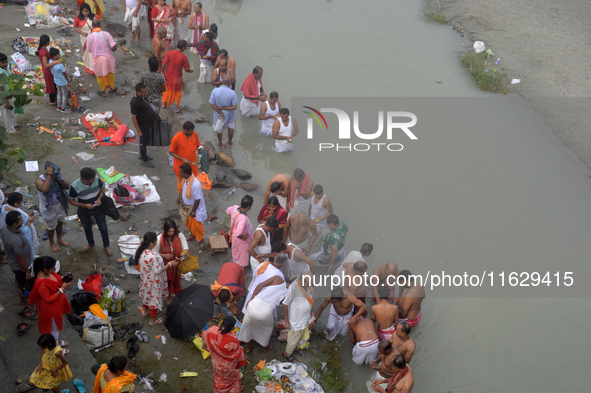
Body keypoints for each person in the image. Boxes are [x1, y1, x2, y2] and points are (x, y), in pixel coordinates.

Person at [239, 254, 288, 353]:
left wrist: (250, 299)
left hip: (254, 301)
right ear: (283, 265)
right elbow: (284, 304)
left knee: (248, 324)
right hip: (265, 310)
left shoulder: (264, 264)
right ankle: (264, 347)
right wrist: (287, 320)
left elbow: (258, 280)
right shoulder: (281, 278)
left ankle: (247, 346)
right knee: (267, 329)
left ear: (274, 259)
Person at [136, 232, 178, 325]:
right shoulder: (151, 257)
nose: (156, 242)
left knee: (147, 294)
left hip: (145, 278)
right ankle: (153, 319)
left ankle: (146, 310)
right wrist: (169, 264)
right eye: (155, 241)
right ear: (151, 243)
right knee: (153, 298)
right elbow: (158, 271)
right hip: (153, 281)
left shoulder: (143, 250)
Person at [68, 167, 112, 255]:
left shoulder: (97, 179)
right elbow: (71, 201)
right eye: (92, 178)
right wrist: (84, 205)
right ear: (85, 180)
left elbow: (102, 189)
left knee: (103, 227)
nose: (94, 179)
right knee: (87, 228)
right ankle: (91, 244)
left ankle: (106, 245)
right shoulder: (75, 186)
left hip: (98, 208)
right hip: (84, 210)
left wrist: (99, 198)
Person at [28, 257, 71, 344]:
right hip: (50, 311)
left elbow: (56, 277)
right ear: (45, 269)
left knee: (54, 329)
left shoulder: (47, 273)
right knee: (54, 329)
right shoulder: (42, 284)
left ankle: (55, 342)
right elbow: (48, 299)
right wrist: (62, 289)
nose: (54, 269)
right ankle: (55, 347)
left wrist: (63, 278)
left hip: (55, 307)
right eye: (52, 268)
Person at [202, 316, 247, 393]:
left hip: (216, 363)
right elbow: (238, 354)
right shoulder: (233, 338)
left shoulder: (212, 330)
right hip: (228, 366)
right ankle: (234, 388)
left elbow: (204, 343)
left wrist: (214, 353)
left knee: (219, 378)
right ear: (232, 328)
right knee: (231, 379)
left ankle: (221, 390)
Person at [282, 271, 315, 363]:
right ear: (302, 281)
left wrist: (310, 311)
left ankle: (295, 348)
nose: (311, 284)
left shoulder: (308, 285)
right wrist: (286, 321)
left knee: (299, 336)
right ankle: (287, 353)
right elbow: (285, 304)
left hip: (304, 318)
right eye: (309, 283)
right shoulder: (293, 288)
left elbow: (309, 298)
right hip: (295, 319)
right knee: (293, 339)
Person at [153, 219, 188, 305]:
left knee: (176, 280)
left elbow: (186, 248)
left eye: (173, 231)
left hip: (176, 264)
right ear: (165, 230)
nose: (171, 233)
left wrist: (180, 256)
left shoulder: (180, 235)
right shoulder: (159, 239)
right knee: (167, 282)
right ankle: (168, 297)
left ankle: (176, 295)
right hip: (166, 266)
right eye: (169, 231)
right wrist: (164, 256)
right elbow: (154, 253)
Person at [1, 211, 33, 301]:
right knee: (23, 284)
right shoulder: (15, 240)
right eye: (21, 220)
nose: (23, 220)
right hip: (21, 267)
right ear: (15, 224)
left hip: (14, 261)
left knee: (20, 280)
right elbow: (20, 259)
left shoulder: (5, 228)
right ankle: (23, 299)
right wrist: (27, 271)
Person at [177, 163, 208, 250]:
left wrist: (193, 211)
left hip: (194, 209)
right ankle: (194, 236)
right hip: (185, 207)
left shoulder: (196, 185)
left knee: (196, 226)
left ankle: (201, 241)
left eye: (181, 173)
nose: (180, 174)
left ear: (187, 174)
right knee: (188, 224)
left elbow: (198, 199)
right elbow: (183, 189)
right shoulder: (185, 180)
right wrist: (179, 197)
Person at [84, 20, 117, 97]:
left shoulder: (90, 36)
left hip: (97, 59)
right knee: (110, 73)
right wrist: (113, 48)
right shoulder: (107, 34)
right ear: (101, 25)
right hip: (108, 58)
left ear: (92, 26)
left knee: (99, 76)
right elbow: (114, 46)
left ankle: (103, 92)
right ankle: (112, 88)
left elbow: (89, 50)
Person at [1, 192, 39, 258]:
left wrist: (27, 217)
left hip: (13, 232)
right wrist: (30, 221)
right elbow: (23, 230)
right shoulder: (15, 216)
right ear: (16, 203)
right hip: (24, 237)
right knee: (27, 252)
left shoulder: (4, 207)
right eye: (21, 201)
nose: (21, 203)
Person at [162, 39, 193, 113]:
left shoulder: (170, 53)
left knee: (168, 90)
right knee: (178, 93)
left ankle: (163, 104)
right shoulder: (183, 57)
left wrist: (162, 71)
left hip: (168, 76)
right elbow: (186, 69)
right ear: (183, 48)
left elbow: (164, 63)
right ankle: (176, 108)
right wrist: (191, 71)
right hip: (177, 78)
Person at [130, 83, 157, 168]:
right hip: (143, 126)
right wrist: (138, 130)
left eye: (146, 91)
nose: (146, 93)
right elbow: (133, 117)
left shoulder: (144, 97)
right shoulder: (134, 102)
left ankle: (143, 154)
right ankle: (144, 160)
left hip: (148, 124)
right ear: (138, 92)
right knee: (143, 142)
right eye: (144, 92)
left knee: (145, 140)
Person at [169, 121, 201, 192]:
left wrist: (201, 149)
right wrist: (181, 158)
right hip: (181, 166)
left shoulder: (194, 134)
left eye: (193, 130)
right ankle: (181, 198)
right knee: (181, 183)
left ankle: (190, 195)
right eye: (190, 131)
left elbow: (198, 145)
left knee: (192, 181)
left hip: (193, 164)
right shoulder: (176, 138)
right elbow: (171, 152)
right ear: (185, 130)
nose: (192, 132)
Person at [225, 195, 254, 268]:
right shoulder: (242, 218)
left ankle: (235, 267)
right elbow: (238, 233)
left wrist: (233, 223)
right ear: (248, 207)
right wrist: (243, 237)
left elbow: (228, 211)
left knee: (236, 254)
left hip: (234, 238)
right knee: (240, 258)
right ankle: (239, 271)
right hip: (241, 243)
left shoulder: (235, 208)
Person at [209, 75, 238, 148]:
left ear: (222, 81)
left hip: (219, 115)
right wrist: (224, 108)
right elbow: (234, 107)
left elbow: (211, 103)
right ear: (229, 83)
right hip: (230, 115)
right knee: (230, 128)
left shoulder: (215, 90)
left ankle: (220, 144)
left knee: (219, 130)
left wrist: (220, 111)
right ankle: (229, 143)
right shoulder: (232, 93)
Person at [36, 35, 60, 108]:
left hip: (48, 69)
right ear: (46, 42)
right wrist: (56, 62)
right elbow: (46, 65)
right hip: (47, 70)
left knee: (51, 83)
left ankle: (54, 98)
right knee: (51, 84)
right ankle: (52, 100)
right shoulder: (43, 52)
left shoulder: (43, 49)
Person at [1, 53, 21, 135]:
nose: (6, 64)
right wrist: (5, 101)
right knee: (8, 111)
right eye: (3, 62)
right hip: (5, 95)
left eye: (6, 62)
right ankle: (10, 129)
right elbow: (1, 89)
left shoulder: (7, 68)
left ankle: (13, 124)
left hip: (11, 92)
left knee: (12, 110)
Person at [73, 3, 95, 75]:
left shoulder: (94, 17)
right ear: (81, 11)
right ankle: (89, 67)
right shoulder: (78, 18)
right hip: (84, 37)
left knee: (93, 53)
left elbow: (98, 26)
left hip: (93, 37)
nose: (85, 13)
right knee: (87, 52)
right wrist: (81, 32)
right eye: (83, 11)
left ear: (89, 11)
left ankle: (94, 68)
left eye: (86, 11)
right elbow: (75, 27)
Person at [48, 48, 71, 113]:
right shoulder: (60, 65)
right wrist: (68, 81)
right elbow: (65, 74)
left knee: (59, 93)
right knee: (64, 94)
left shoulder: (50, 61)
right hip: (63, 82)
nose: (60, 55)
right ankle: (63, 108)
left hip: (56, 81)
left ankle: (59, 106)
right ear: (54, 56)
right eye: (58, 54)